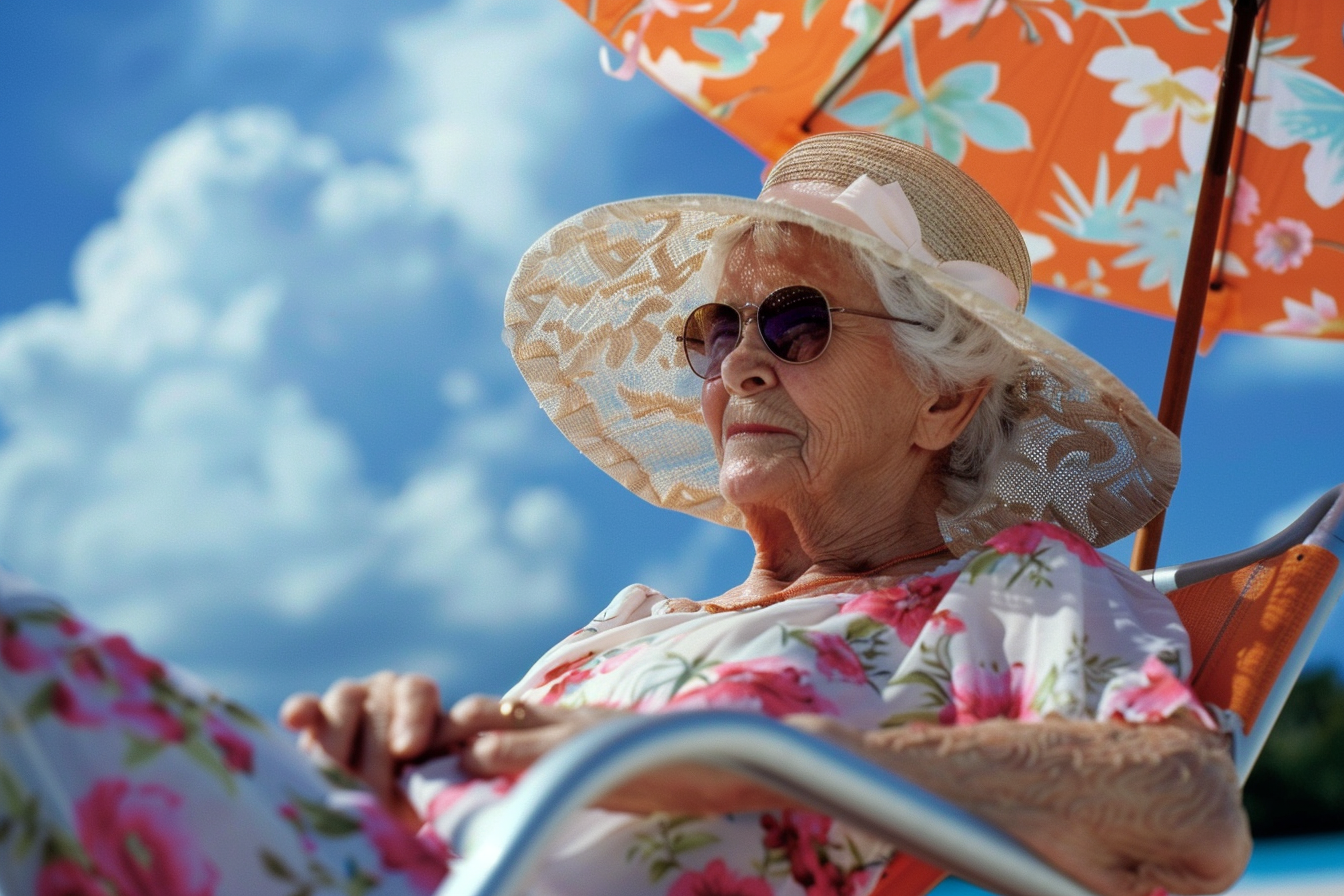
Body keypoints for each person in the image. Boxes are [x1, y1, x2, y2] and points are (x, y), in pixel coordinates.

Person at [0, 132, 1250, 896]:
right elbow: (500, 789)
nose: (742, 366)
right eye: (719, 332)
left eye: (797, 322)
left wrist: (759, 763)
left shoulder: (1016, 591)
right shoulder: (636, 621)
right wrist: (387, 745)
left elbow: (1186, 808)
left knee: (19, 660)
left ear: (944, 399)